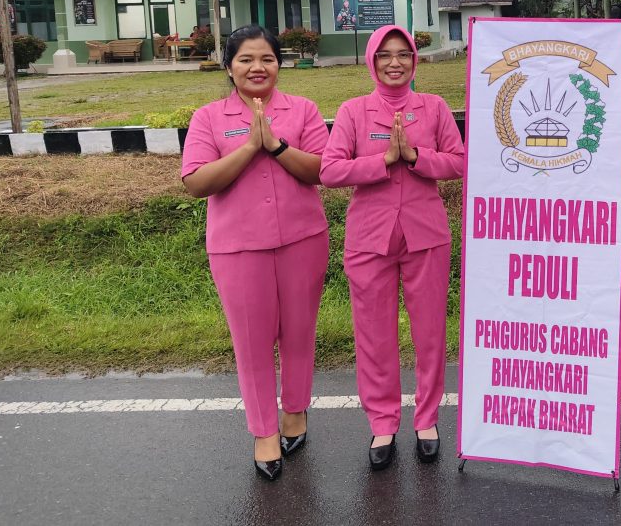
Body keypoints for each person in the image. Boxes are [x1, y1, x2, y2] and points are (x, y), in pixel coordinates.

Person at [180, 25, 329, 482]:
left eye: (266, 58)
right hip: (238, 247)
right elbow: (196, 182)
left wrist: (277, 145)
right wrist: (250, 146)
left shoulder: (302, 110)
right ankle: (264, 431)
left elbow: (321, 169)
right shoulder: (209, 117)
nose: (257, 67)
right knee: (251, 341)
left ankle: (295, 411)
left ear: (279, 64)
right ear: (229, 67)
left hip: (303, 240)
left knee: (299, 332)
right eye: (245, 59)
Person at [320, 25, 464, 471]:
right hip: (370, 238)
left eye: (404, 54)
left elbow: (459, 161)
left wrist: (418, 159)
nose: (395, 62)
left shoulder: (435, 107)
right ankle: (382, 422)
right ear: (371, 61)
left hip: (425, 234)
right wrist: (382, 161)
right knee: (374, 334)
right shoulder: (353, 111)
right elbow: (330, 170)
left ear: (415, 61)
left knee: (429, 332)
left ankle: (426, 418)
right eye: (385, 55)